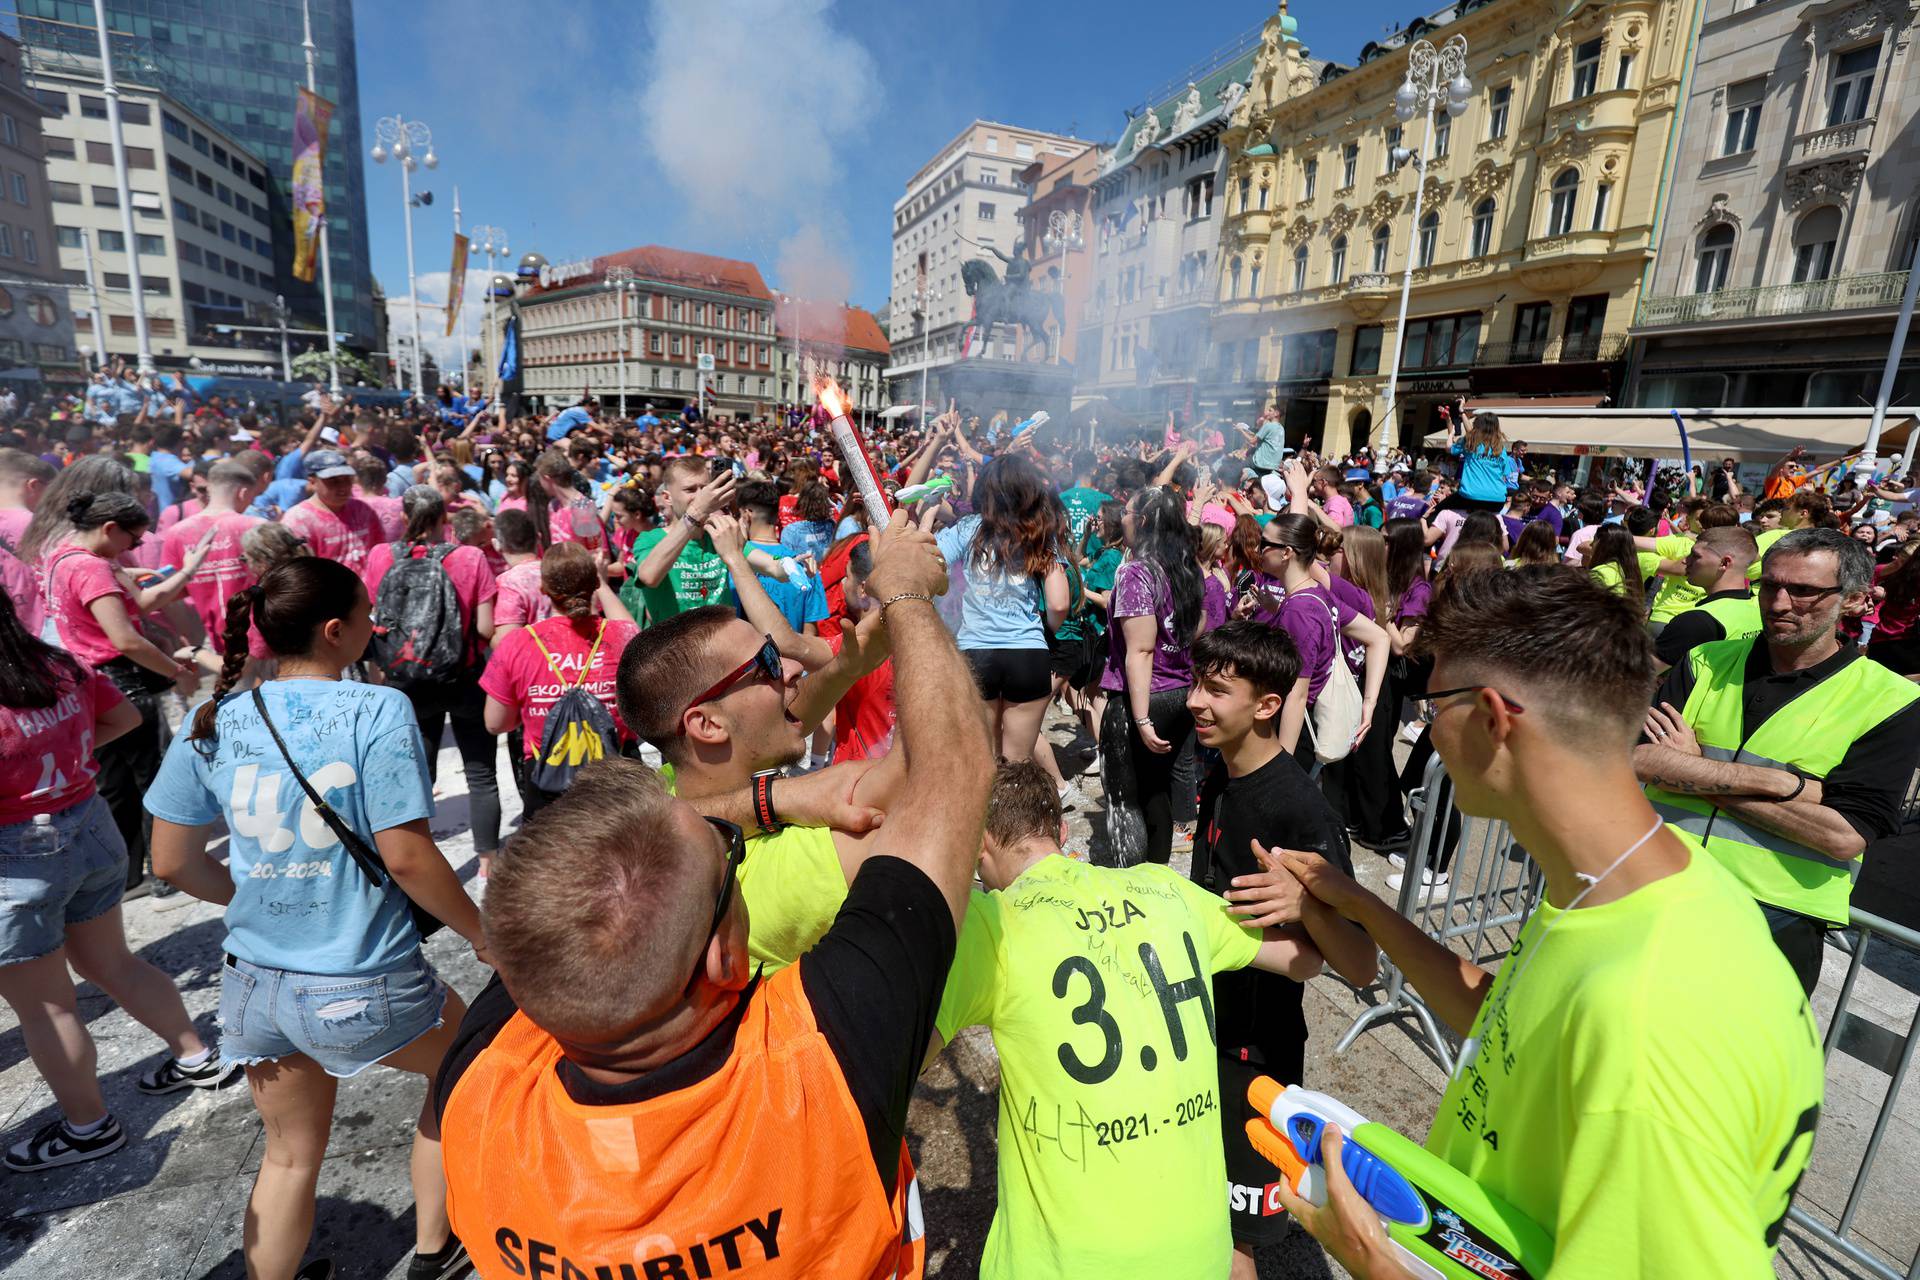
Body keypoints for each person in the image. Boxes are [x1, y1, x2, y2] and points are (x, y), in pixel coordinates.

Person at [435, 516, 991, 1280]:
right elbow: (953, 772)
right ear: (728, 955)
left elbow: (615, 838)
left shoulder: (481, 1089)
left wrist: (768, 800)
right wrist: (905, 594)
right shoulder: (825, 1064)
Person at [1275, 567, 1825, 1278]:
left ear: (1493, 718)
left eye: (1431, 703)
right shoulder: (1640, 877)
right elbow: (1504, 1021)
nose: (1425, 727)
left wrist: (1374, 1261)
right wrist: (1359, 905)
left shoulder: (1651, 1017)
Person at [147, 556, 485, 1280]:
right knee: (466, 1066)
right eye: (369, 616)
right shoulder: (377, 708)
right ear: (337, 632)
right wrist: (484, 935)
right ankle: (435, 1246)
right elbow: (408, 857)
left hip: (256, 983)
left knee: (290, 1155)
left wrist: (254, 894)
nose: (377, 626)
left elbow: (171, 860)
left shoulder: (216, 717)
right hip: (363, 978)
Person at [925, 759, 1367, 1278]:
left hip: (1066, 1266)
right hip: (1198, 1255)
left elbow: (888, 1063)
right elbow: (1304, 960)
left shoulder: (993, 922)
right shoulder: (1167, 890)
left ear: (978, 845)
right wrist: (1304, 904)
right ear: (1062, 831)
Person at [0, 590, 238, 1173]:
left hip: (18, 857)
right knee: (112, 962)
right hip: (89, 826)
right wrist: (62, 761)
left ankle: (89, 1125)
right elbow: (123, 717)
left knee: (47, 1006)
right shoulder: (58, 664)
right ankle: (195, 1054)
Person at [1638, 528, 1920, 995]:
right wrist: (1780, 784)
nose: (1779, 603)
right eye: (1770, 585)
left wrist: (1693, 771)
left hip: (1774, 920)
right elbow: (1641, 757)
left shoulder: (1891, 700)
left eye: (1805, 591)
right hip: (1655, 888)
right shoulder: (1705, 661)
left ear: (1854, 601)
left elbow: (1842, 835)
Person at [1181, 621, 1378, 1275]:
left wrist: (1305, 910)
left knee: (1236, 1240)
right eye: (1196, 685)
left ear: (1267, 705)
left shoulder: (1301, 813)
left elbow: (1357, 963)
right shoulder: (1220, 773)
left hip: (1255, 1050)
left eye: (1216, 690)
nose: (1193, 702)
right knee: (1203, 1210)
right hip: (1204, 1032)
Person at [42, 492, 211, 895]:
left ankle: (128, 873)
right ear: (109, 529)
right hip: (120, 682)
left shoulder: (62, 555)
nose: (133, 550)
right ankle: (164, 871)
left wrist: (186, 570)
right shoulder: (93, 569)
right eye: (133, 541)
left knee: (115, 783)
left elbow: (142, 599)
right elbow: (126, 640)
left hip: (85, 681)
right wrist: (178, 674)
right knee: (152, 775)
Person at [364, 486, 501, 876]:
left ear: (404, 519)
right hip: (463, 676)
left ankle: (421, 857)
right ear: (446, 519)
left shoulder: (381, 556)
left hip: (406, 681)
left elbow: (380, 620)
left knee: (419, 775)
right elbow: (485, 627)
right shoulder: (471, 556)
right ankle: (489, 861)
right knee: (480, 773)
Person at [481, 542, 640, 823]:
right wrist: (601, 583)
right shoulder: (622, 635)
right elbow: (634, 632)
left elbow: (496, 723)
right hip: (620, 778)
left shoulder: (516, 644)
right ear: (594, 584)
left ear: (543, 589)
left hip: (550, 782)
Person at [934, 454, 1070, 762]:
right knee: (1018, 767)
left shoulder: (969, 528)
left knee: (981, 762)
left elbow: (931, 561)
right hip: (1028, 652)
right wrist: (1046, 630)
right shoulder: (1042, 534)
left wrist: (928, 513)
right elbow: (1059, 603)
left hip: (975, 651)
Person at [1096, 485, 1202, 868]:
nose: (1120, 519)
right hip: (1178, 692)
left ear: (1140, 521)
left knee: (1124, 798)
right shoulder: (1187, 566)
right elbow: (1198, 626)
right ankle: (1155, 876)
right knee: (1156, 790)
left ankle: (1131, 881)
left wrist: (1139, 718)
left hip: (1143, 696)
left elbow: (1140, 650)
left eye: (1126, 513)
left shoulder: (1137, 572)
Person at [161, 459, 262, 652]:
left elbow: (172, 591)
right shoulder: (257, 527)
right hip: (261, 636)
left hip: (210, 638)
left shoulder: (176, 533)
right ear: (244, 492)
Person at [626, 455, 737, 620]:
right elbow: (648, 576)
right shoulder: (650, 538)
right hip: (675, 643)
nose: (700, 496)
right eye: (690, 490)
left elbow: (772, 565)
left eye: (704, 489)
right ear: (667, 498)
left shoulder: (718, 532)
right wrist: (696, 512)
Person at [1651, 525, 1761, 672]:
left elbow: (1634, 677)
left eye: (1695, 556)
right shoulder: (1759, 611)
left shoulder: (1697, 621)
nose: (1685, 561)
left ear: (1724, 563)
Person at [279, 449, 383, 576]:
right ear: (312, 481)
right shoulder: (298, 520)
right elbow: (300, 573)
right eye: (333, 481)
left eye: (347, 479)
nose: (343, 487)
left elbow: (378, 552)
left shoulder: (364, 511)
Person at [489, 507, 551, 641]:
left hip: (534, 656)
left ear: (497, 545)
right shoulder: (554, 569)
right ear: (538, 538)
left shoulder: (509, 583)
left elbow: (506, 641)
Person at [1445, 408, 1511, 510]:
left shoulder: (1471, 442)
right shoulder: (1501, 448)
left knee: (1437, 512)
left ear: (1477, 425)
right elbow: (1506, 474)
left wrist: (1451, 434)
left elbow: (1449, 449)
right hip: (1498, 501)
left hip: (1471, 497)